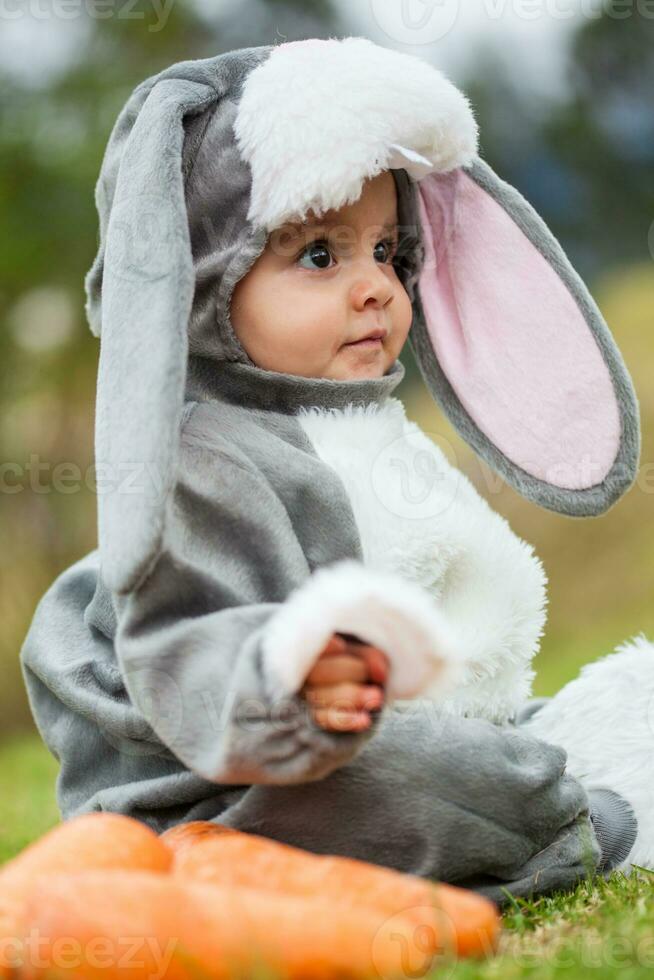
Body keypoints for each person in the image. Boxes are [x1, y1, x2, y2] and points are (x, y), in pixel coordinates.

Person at [20, 37, 640, 905]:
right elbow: (187, 643)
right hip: (230, 776)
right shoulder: (210, 459)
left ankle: (540, 777)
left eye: (388, 252)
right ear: (206, 280)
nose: (376, 288)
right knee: (417, 783)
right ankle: (561, 825)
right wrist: (296, 679)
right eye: (320, 255)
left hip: (396, 733)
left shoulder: (364, 430)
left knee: (589, 714)